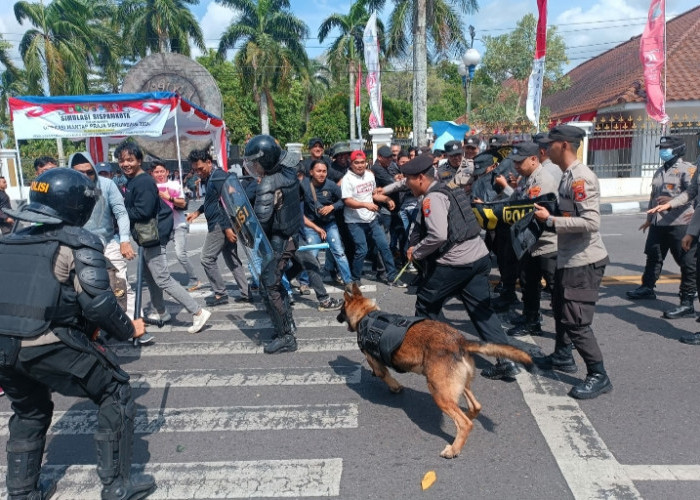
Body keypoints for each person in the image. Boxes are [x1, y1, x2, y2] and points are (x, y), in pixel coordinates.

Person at [0, 168, 155, 499]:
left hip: (2, 347)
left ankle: (22, 492)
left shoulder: (9, 238)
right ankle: (117, 485)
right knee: (116, 391)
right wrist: (130, 328)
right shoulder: (78, 241)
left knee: (29, 410)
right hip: (45, 341)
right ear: (77, 205)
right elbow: (99, 305)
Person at [402, 154, 521, 380]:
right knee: (482, 311)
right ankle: (506, 361)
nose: (406, 184)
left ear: (419, 178)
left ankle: (444, 357)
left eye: (408, 179)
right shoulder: (451, 188)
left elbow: (438, 235)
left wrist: (415, 252)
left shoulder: (432, 199)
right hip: (478, 258)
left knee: (426, 305)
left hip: (455, 263)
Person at [533, 124, 612, 400]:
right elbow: (571, 212)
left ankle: (598, 375)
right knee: (560, 310)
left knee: (576, 321)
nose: (546, 149)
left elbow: (591, 222)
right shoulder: (567, 176)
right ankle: (562, 356)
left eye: (550, 144)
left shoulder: (581, 178)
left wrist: (551, 220)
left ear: (564, 145)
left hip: (583, 260)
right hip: (569, 258)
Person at [116, 141, 211, 333]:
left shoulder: (143, 182)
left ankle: (198, 311)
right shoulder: (134, 180)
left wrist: (120, 212)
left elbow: (144, 211)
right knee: (150, 276)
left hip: (154, 236)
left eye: (130, 160)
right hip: (147, 236)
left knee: (162, 278)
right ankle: (161, 311)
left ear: (139, 160)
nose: (126, 164)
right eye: (122, 160)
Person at [245, 134, 304, 354]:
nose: (254, 166)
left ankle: (286, 336)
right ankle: (284, 325)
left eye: (255, 162)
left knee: (269, 286)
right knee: (273, 284)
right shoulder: (288, 171)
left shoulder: (268, 183)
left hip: (279, 241)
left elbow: (261, 222)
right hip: (290, 235)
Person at [627, 135, 697, 320]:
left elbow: (693, 195)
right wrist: (650, 219)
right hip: (659, 222)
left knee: (686, 262)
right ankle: (647, 287)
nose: (662, 151)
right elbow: (653, 196)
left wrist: (672, 201)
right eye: (661, 147)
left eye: (665, 148)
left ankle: (689, 295)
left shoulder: (687, 170)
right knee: (653, 255)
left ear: (676, 150)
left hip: (679, 223)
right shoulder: (659, 171)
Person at [496, 142, 558, 336]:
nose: (515, 166)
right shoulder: (527, 178)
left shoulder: (543, 180)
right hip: (530, 241)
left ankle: (569, 331)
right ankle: (531, 320)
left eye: (519, 162)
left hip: (547, 243)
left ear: (533, 159)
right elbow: (517, 198)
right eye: (514, 162)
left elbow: (526, 208)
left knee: (555, 288)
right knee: (528, 283)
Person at [185, 149, 250, 305]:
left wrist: (227, 228)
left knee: (207, 258)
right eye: (195, 170)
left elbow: (228, 203)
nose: (198, 173)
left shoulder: (218, 177)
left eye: (200, 168)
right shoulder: (211, 177)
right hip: (222, 224)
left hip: (220, 225)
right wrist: (198, 212)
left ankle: (220, 294)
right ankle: (246, 292)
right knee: (232, 259)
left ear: (209, 162)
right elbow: (213, 201)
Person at [342, 150, 406, 287]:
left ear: (366, 162)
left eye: (362, 162)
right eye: (356, 163)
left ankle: (392, 277)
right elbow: (347, 201)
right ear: (351, 163)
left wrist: (387, 199)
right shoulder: (347, 179)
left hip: (371, 219)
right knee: (362, 250)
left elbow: (373, 195)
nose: (360, 165)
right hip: (354, 221)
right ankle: (355, 277)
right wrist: (365, 205)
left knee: (384, 246)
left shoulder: (370, 176)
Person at [301, 159, 354, 287]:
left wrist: (332, 207)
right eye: (318, 171)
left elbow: (344, 200)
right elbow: (296, 206)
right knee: (311, 254)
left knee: (339, 252)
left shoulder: (331, 185)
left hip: (330, 224)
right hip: (312, 226)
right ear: (311, 172)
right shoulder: (303, 186)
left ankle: (349, 282)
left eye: (324, 171)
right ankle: (304, 282)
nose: (321, 174)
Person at [150, 160, 201, 292]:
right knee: (160, 256)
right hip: (160, 227)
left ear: (167, 172)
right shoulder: (150, 187)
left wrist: (168, 197)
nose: (160, 174)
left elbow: (183, 204)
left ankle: (194, 279)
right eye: (156, 172)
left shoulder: (174, 185)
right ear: (152, 174)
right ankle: (164, 281)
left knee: (180, 254)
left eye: (162, 171)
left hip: (178, 225)